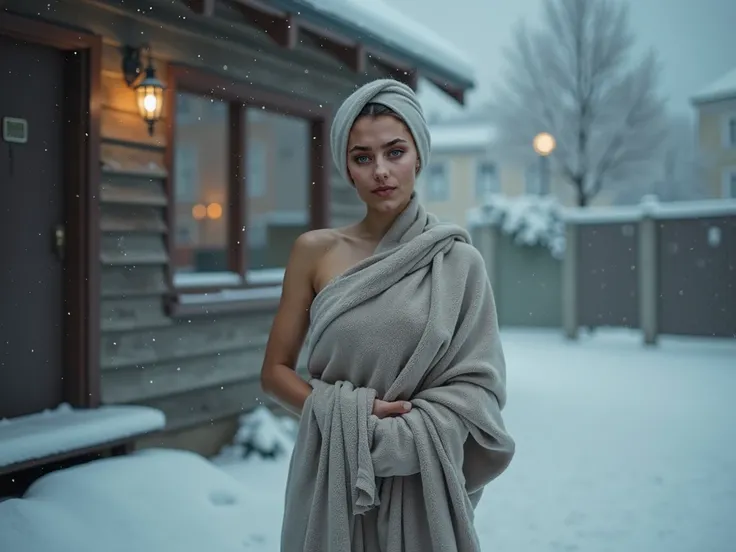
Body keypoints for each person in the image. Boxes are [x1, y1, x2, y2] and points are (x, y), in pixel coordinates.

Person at [260, 79, 515, 552]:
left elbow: (480, 389)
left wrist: (401, 437)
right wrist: (351, 417)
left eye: (394, 152)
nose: (380, 170)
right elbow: (273, 373)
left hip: (421, 482)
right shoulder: (314, 252)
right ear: (348, 169)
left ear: (419, 155)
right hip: (329, 474)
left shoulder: (457, 262)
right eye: (363, 157)